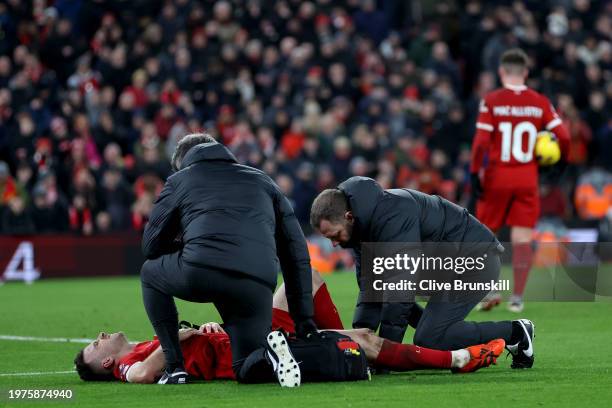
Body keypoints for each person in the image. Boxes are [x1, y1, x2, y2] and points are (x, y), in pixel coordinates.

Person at [74, 270, 505, 383]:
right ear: (107, 362)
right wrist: (184, 334)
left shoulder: (139, 347)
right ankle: (456, 359)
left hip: (238, 331)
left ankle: (349, 345)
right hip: (249, 347)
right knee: (365, 343)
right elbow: (147, 374)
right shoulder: (128, 366)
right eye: (94, 347)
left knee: (308, 280)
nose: (98, 337)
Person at [139, 133, 316, 386]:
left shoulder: (180, 179)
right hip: (257, 282)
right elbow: (296, 252)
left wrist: (185, 240)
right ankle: (280, 354)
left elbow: (150, 245)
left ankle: (175, 368)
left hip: (201, 269)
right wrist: (304, 321)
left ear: (182, 162)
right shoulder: (264, 180)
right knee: (248, 366)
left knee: (149, 273)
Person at [309, 176, 535, 369]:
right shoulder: (364, 225)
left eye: (334, 235)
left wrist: (384, 354)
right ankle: (500, 335)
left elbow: (400, 291)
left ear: (348, 217)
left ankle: (515, 333)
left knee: (429, 337)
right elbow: (372, 289)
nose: (334, 244)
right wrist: (361, 340)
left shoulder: (391, 217)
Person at [469, 48, 570, 313]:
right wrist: (561, 166)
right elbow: (565, 137)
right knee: (522, 237)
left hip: (497, 175)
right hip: (527, 176)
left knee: (485, 235)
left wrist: (474, 171)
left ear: (502, 72)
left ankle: (490, 290)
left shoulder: (492, 100)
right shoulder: (539, 102)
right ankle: (517, 298)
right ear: (525, 72)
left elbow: (480, 143)